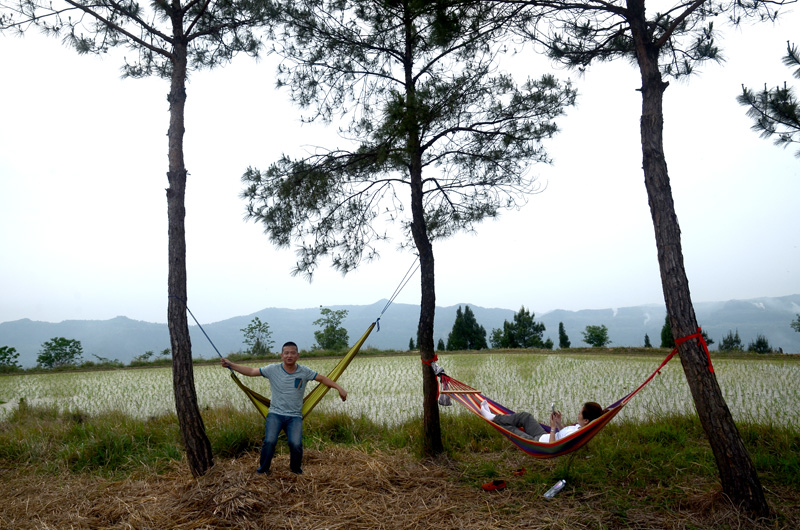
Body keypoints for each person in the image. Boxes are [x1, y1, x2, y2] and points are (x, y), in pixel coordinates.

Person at [220, 341, 347, 475]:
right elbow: (251, 371)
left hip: (295, 416)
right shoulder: (272, 369)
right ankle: (263, 470)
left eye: (292, 353)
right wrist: (231, 364)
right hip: (275, 414)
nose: (289, 355)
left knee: (296, 444)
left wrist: (339, 388)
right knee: (269, 441)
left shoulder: (304, 371)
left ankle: (296, 470)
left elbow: (322, 379)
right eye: (286, 353)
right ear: (281, 355)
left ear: (298, 355)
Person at [480, 400, 603, 443]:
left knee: (511, 429)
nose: (578, 414)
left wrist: (553, 427)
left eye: (580, 413)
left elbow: (552, 446)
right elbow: (564, 434)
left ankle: (492, 417)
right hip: (542, 435)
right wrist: (559, 423)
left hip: (538, 443)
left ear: (586, 420)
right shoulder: (579, 428)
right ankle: (493, 417)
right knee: (526, 416)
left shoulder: (576, 435)